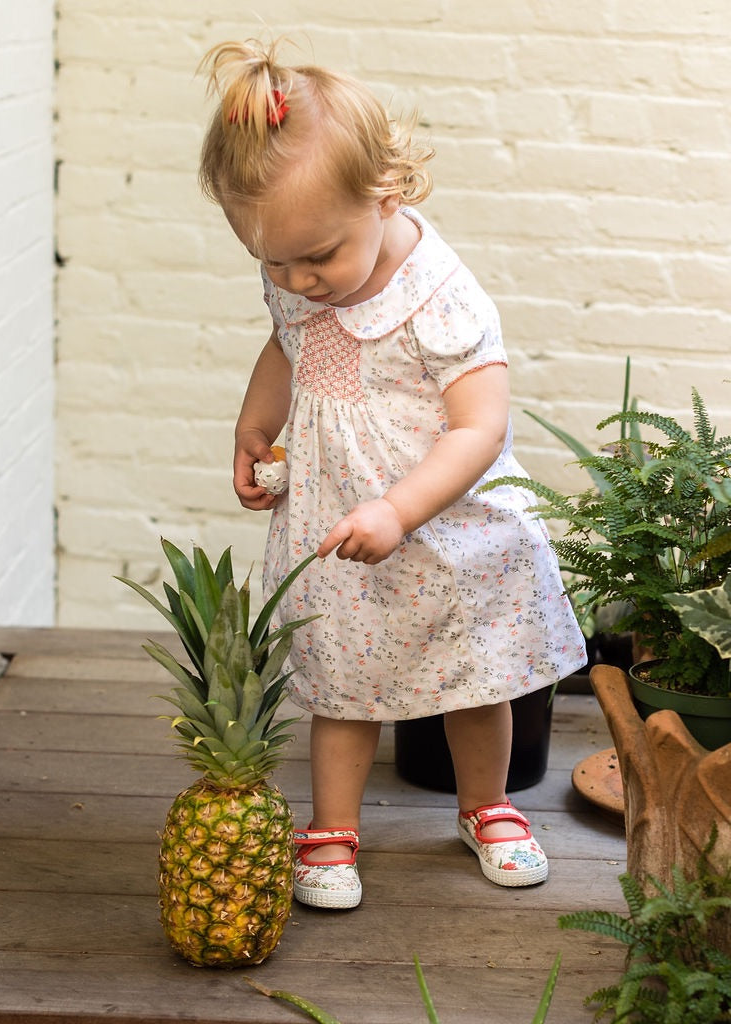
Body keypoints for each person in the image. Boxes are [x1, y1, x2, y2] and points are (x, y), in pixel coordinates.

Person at [198, 37, 586, 910]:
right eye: (275, 262)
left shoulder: (441, 295)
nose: (299, 280)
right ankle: (333, 829)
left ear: (388, 193)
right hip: (341, 523)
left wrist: (400, 510)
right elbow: (287, 345)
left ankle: (486, 806)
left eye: (318, 256)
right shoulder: (302, 274)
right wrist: (256, 426)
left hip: (441, 524)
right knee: (343, 685)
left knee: (473, 680)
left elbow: (480, 427)